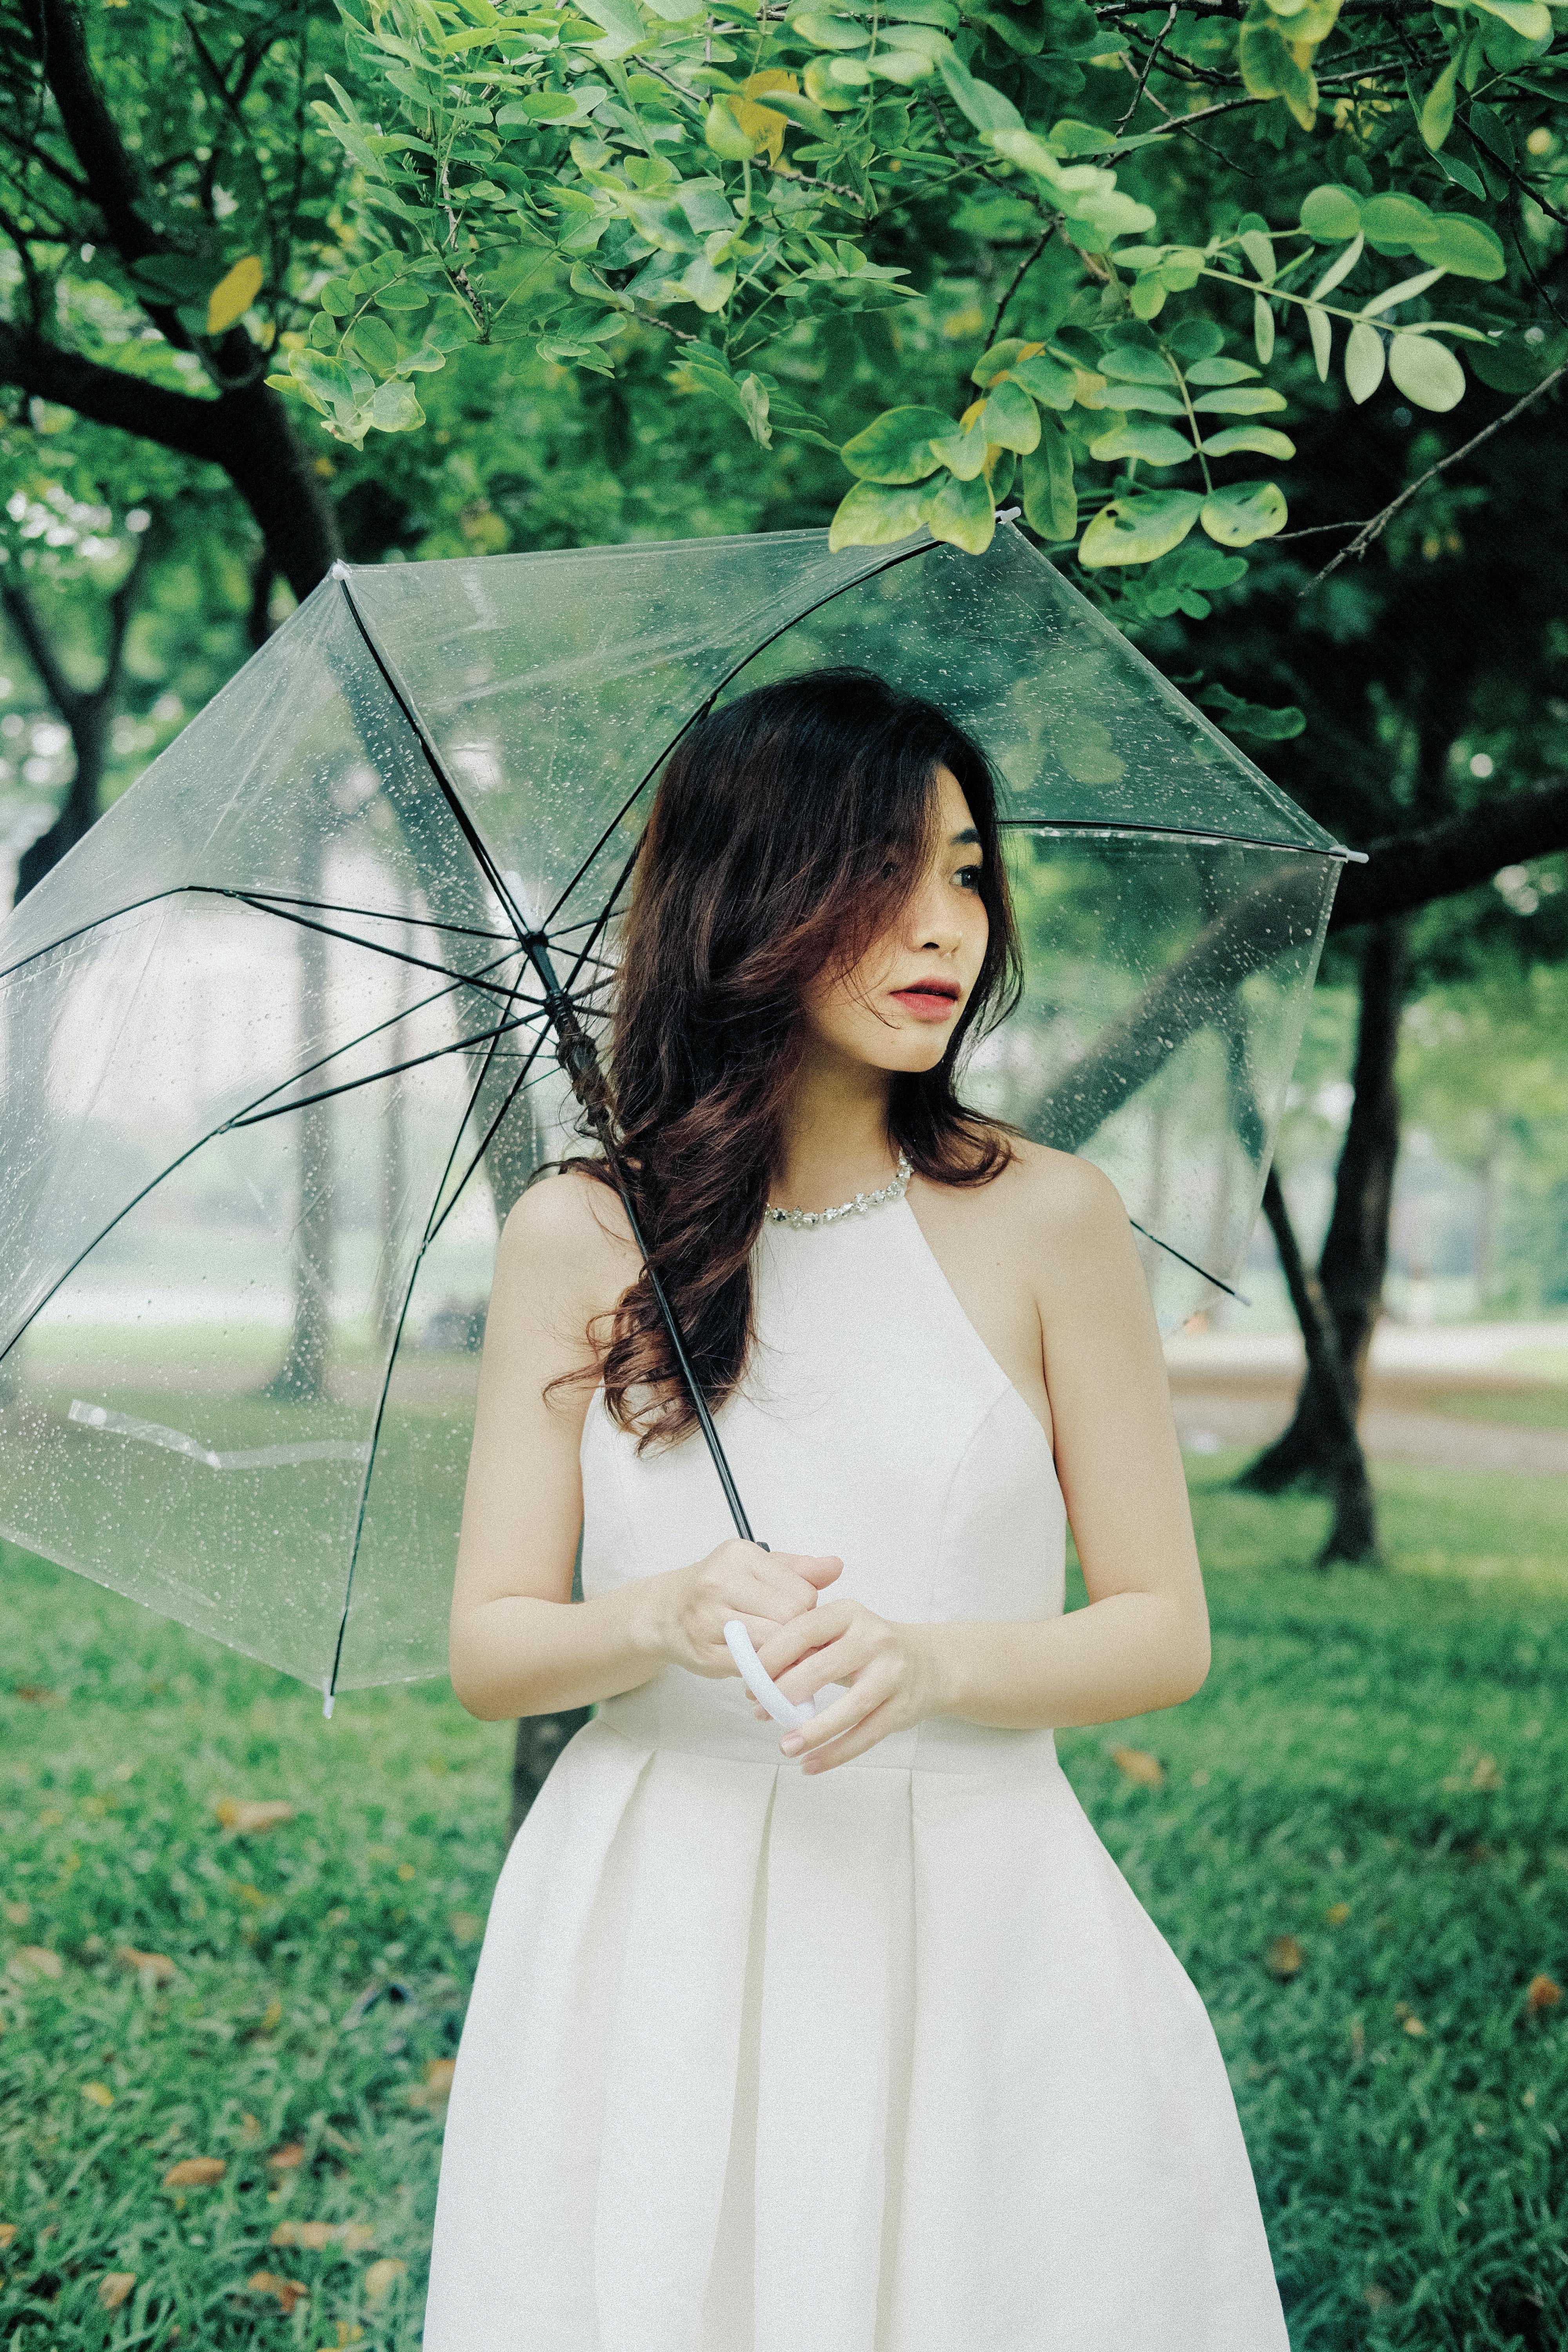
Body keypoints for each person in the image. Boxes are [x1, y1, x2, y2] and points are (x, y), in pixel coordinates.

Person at [423, 670, 1292, 2352]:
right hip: (653, 1912)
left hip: (971, 1900)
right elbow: (489, 1651)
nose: (942, 924)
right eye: (882, 872)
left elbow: (1161, 1630)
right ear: (752, 894)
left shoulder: (1049, 1218)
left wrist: (936, 1665)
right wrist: (656, 1618)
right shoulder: (581, 1236)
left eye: (965, 870)